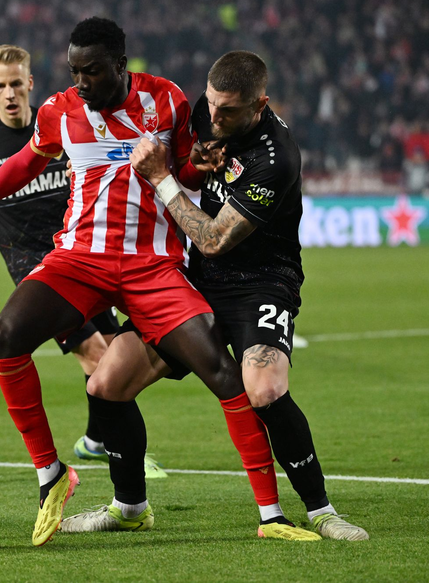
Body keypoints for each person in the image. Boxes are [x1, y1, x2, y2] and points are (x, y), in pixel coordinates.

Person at [0, 18, 282, 547]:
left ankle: (272, 517)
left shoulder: (166, 100)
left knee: (221, 371)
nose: (81, 81)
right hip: (80, 258)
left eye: (92, 71)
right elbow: (25, 163)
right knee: (5, 337)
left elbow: (182, 168)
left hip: (153, 265)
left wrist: (200, 167)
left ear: (120, 65)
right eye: (74, 71)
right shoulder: (59, 109)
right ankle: (51, 473)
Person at [62, 50, 368, 541]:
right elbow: (184, 165)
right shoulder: (205, 112)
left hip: (262, 281)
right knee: (106, 383)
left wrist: (162, 177)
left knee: (264, 387)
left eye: (229, 111)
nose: (214, 117)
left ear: (260, 105)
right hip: (196, 280)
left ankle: (321, 510)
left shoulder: (276, 156)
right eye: (211, 105)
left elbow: (212, 238)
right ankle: (129, 507)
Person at [0, 44, 164, 478]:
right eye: (1, 86)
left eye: (17, 83)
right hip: (35, 267)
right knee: (95, 352)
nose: (10, 92)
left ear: (30, 83)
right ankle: (124, 454)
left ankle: (95, 439)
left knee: (114, 354)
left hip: (85, 255)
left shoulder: (68, 120)